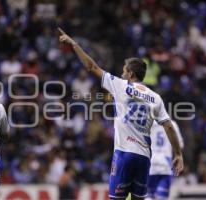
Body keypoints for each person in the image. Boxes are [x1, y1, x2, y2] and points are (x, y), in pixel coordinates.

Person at [58, 28, 184, 200]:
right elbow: (169, 126)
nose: (122, 74)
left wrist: (74, 45)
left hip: (124, 154)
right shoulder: (156, 98)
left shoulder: (121, 86)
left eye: (124, 71)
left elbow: (91, 66)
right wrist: (178, 154)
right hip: (144, 158)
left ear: (131, 74)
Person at [146, 121, 184, 200]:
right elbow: (180, 145)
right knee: (162, 197)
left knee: (148, 196)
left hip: (150, 163)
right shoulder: (172, 124)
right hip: (165, 164)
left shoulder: (147, 122)